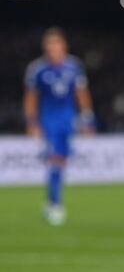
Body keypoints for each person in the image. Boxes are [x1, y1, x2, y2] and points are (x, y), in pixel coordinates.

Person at [23, 27, 95, 226]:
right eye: (49, 44)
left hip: (68, 119)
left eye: (56, 44)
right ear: (45, 47)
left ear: (63, 46)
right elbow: (31, 97)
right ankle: (55, 205)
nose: (53, 48)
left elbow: (81, 93)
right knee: (55, 159)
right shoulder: (37, 69)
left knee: (60, 161)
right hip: (49, 120)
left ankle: (50, 201)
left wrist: (87, 117)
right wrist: (31, 121)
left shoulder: (73, 67)